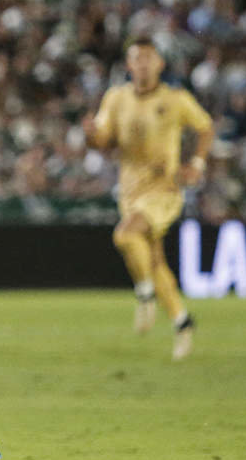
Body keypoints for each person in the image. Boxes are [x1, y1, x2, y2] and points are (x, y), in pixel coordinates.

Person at [83, 36, 213, 361]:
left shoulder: (176, 99)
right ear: (129, 65)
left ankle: (144, 295)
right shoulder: (116, 98)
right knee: (154, 262)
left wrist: (196, 163)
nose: (142, 64)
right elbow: (102, 140)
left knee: (125, 234)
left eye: (148, 58)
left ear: (159, 64)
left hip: (164, 190)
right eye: (136, 58)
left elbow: (206, 127)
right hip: (130, 190)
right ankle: (183, 322)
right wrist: (90, 136)